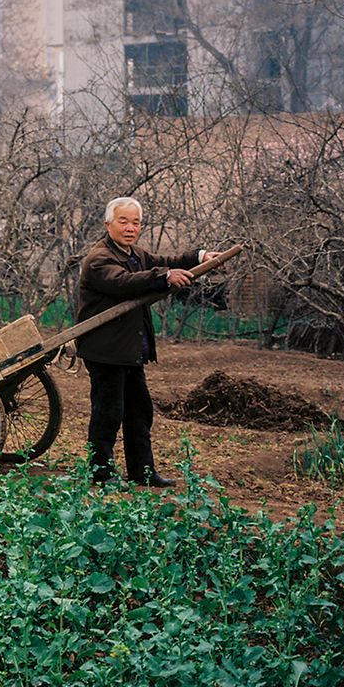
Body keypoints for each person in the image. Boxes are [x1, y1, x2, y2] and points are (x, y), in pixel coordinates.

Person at [76, 197, 206, 487]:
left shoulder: (134, 254)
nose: (130, 227)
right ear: (108, 224)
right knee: (108, 413)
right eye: (123, 221)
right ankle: (101, 474)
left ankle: (142, 473)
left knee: (139, 412)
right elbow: (123, 282)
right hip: (106, 350)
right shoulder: (100, 259)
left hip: (129, 350)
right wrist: (164, 277)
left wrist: (200, 256)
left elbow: (166, 263)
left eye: (135, 222)